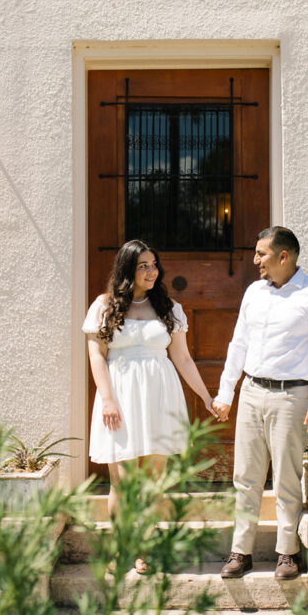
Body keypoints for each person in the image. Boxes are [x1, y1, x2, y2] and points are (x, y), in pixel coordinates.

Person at [212, 226, 308, 581]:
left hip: (292, 396)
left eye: (262, 254)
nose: (256, 261)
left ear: (284, 257)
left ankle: (287, 553)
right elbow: (238, 344)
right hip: (252, 392)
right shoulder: (254, 292)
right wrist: (226, 393)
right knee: (246, 478)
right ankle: (241, 551)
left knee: (285, 477)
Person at [83, 240, 217, 573]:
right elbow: (96, 356)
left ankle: (144, 547)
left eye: (154, 264)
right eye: (143, 265)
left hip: (159, 394)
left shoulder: (169, 307)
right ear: (127, 269)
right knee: (122, 481)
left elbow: (182, 358)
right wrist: (108, 399)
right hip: (120, 395)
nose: (151, 271)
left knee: (154, 481)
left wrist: (205, 395)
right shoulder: (104, 306)